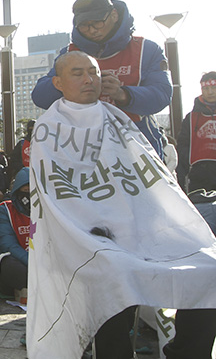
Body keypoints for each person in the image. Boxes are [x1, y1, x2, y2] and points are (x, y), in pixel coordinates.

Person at [26, 50, 216, 359]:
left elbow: (152, 183)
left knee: (209, 265)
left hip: (142, 231)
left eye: (94, 72)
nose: (89, 79)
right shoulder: (49, 128)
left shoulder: (118, 120)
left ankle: (186, 353)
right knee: (114, 271)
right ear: (57, 82)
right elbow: (58, 199)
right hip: (87, 237)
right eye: (78, 73)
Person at [31, 0, 172, 157]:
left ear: (114, 15)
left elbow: (162, 95)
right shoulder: (70, 53)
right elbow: (40, 96)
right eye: (84, 25)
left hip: (138, 148)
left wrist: (123, 94)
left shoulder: (146, 49)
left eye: (97, 23)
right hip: (84, 148)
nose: (91, 30)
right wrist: (71, 83)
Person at [176, 71, 216, 193]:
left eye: (214, 87)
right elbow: (182, 145)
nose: (210, 92)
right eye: (206, 88)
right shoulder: (191, 118)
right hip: (199, 176)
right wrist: (188, 163)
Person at [0, 167, 30, 299]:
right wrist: (33, 262)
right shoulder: (5, 210)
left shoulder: (48, 211)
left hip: (43, 263)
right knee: (8, 264)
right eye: (25, 190)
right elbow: (7, 245)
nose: (29, 194)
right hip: (20, 262)